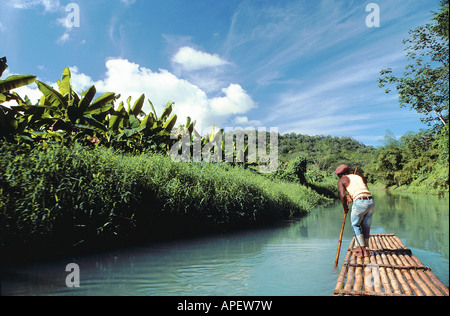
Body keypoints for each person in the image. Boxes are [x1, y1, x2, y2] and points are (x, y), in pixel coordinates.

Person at [335, 165, 375, 258]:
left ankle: (363, 251)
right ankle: (363, 247)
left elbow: (342, 196)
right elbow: (363, 189)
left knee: (355, 225)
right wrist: (352, 197)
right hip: (370, 201)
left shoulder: (342, 180)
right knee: (365, 225)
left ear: (340, 175)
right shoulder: (358, 177)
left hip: (360, 202)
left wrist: (345, 208)